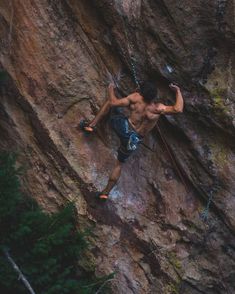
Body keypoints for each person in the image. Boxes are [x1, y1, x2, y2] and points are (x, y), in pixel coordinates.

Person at [80, 81, 184, 200]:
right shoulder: (158, 108)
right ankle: (105, 193)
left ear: (141, 93)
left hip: (123, 128)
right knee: (119, 164)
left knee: (110, 104)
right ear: (153, 96)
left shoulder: (136, 98)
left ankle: (91, 125)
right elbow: (178, 109)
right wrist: (177, 91)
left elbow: (113, 102)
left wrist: (110, 89)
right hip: (134, 139)